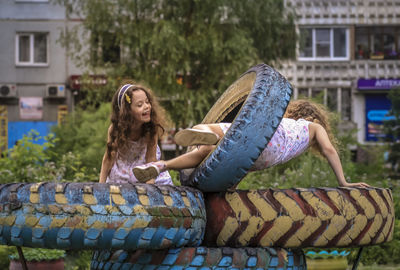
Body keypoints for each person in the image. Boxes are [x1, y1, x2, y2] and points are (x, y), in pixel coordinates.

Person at [132, 99, 370, 188]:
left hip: (261, 136)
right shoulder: (313, 131)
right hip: (267, 154)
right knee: (211, 151)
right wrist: (343, 181)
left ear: (299, 112)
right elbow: (329, 149)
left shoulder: (288, 122)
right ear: (314, 118)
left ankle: (205, 135)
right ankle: (163, 165)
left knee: (212, 131)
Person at [99, 82, 172, 185]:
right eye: (139, 105)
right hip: (123, 170)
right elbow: (108, 158)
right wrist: (100, 185)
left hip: (144, 169)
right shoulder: (116, 130)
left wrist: (149, 186)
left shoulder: (150, 129)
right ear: (127, 111)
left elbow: (151, 159)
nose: (147, 106)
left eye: (147, 102)